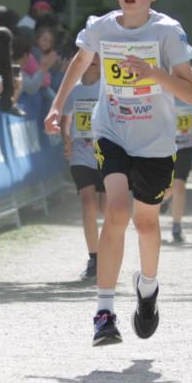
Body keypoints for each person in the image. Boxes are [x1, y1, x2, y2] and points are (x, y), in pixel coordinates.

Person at [45, 0, 192, 347]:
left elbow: (190, 94)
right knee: (114, 210)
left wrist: (152, 73)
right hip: (111, 131)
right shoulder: (101, 27)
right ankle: (104, 312)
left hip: (155, 141)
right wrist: (57, 106)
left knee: (146, 223)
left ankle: (147, 289)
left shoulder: (167, 31)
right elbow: (79, 64)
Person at [59, 53, 104, 280]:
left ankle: (107, 252)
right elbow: (64, 120)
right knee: (87, 200)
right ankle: (94, 257)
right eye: (90, 54)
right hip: (81, 153)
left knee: (108, 208)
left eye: (99, 54)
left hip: (107, 154)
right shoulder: (74, 91)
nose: (94, 58)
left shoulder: (108, 88)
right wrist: (66, 140)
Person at [166, 95, 192, 242]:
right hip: (165, 148)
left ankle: (177, 226)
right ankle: (165, 200)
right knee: (168, 188)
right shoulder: (163, 95)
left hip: (185, 148)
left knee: (179, 185)